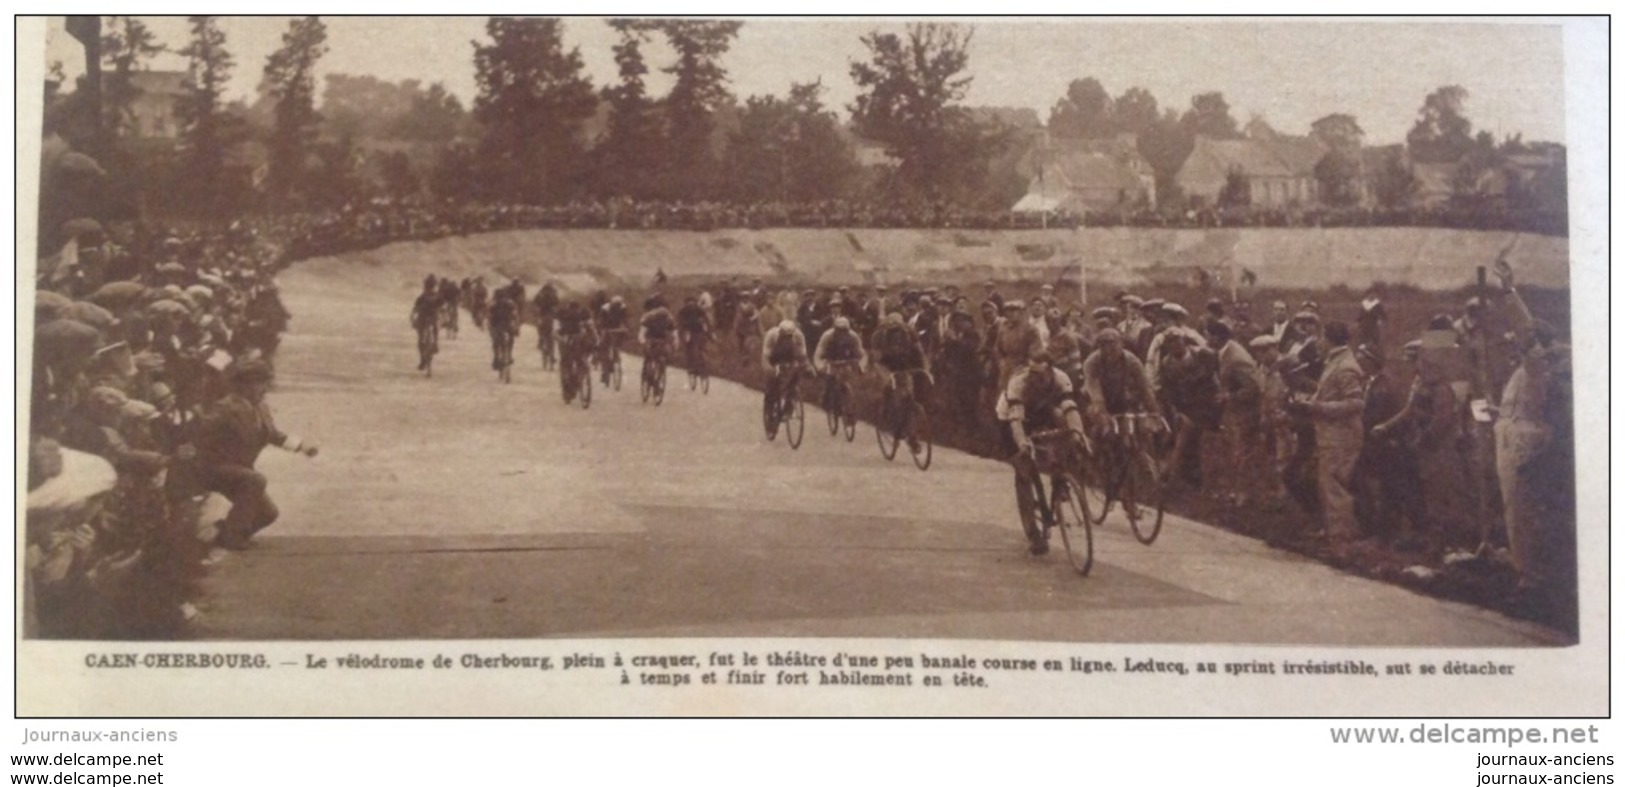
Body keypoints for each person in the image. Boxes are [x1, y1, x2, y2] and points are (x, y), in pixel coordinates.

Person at [196, 360, 318, 550]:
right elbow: (201, 433)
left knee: (268, 514)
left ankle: (215, 535)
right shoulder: (225, 408)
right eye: (261, 384)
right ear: (245, 385)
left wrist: (302, 447)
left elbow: (273, 435)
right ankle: (231, 538)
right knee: (256, 480)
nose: (265, 389)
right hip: (214, 468)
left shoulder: (261, 407)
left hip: (240, 470)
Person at [997, 350, 1087, 555]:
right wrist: (1022, 444)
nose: (1035, 378)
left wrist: (1078, 433)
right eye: (1032, 373)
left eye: (1040, 374)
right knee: (1024, 469)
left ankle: (1060, 478)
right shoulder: (1019, 383)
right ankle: (1033, 534)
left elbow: (1069, 408)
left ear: (1050, 371)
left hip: (1041, 410)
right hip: (1011, 417)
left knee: (1064, 427)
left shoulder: (1061, 379)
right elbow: (1016, 420)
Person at [1287, 320, 1366, 540]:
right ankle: (1337, 531)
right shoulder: (1336, 361)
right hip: (1332, 434)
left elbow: (1356, 404)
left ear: (1329, 339)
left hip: (1342, 435)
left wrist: (1317, 407)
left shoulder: (1346, 366)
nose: (1319, 342)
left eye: (1322, 338)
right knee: (1328, 483)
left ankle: (1341, 536)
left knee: (1334, 486)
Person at [813, 316, 867, 419]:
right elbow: (818, 353)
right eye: (839, 331)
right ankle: (826, 400)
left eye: (844, 331)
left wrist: (861, 366)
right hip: (830, 360)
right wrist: (820, 366)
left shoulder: (853, 337)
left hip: (846, 360)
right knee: (830, 378)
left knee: (847, 381)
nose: (842, 334)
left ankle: (849, 407)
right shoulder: (827, 336)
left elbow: (862, 354)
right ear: (835, 329)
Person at [761, 320, 809, 431]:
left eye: (789, 335)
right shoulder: (771, 335)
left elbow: (802, 354)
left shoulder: (798, 336)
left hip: (791, 358)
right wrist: (770, 370)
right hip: (774, 358)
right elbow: (766, 358)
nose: (787, 338)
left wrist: (805, 366)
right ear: (780, 332)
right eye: (784, 335)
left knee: (795, 380)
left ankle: (788, 407)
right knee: (772, 384)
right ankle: (770, 412)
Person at [639, 297, 678, 387]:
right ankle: (653, 371)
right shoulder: (653, 317)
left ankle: (656, 373)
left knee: (658, 355)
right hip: (655, 339)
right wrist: (643, 341)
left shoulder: (667, 318)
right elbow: (674, 333)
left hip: (657, 339)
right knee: (653, 354)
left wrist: (642, 341)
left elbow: (675, 333)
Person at [598, 295, 631, 385]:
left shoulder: (623, 308)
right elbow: (601, 321)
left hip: (617, 329)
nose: (617, 307)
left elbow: (625, 319)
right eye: (615, 305)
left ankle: (616, 354)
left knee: (618, 343)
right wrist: (602, 329)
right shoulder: (605, 308)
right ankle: (605, 373)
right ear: (612, 304)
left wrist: (627, 328)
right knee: (603, 348)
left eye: (618, 305)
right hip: (607, 328)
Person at [410, 277, 441, 371]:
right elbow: (442, 307)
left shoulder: (422, 296)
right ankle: (435, 343)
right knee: (435, 329)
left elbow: (415, 308)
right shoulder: (437, 296)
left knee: (420, 339)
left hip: (423, 318)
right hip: (433, 318)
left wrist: (412, 318)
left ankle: (422, 360)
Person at [487, 289, 520, 373]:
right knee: (511, 340)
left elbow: (490, 318)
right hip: (507, 325)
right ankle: (509, 355)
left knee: (496, 343)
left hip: (497, 325)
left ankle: (496, 357)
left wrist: (490, 328)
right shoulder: (510, 303)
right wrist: (516, 327)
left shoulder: (493, 304)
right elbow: (515, 315)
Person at [676, 295, 712, 371]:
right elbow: (706, 320)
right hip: (700, 330)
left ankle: (692, 365)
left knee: (689, 346)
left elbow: (679, 321)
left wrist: (680, 331)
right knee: (700, 346)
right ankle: (702, 359)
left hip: (689, 330)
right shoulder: (699, 308)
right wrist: (709, 331)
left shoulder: (683, 309)